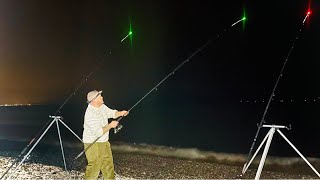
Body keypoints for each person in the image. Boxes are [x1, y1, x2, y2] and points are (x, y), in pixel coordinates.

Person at [82, 90, 128, 179]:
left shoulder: (102, 106)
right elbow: (98, 132)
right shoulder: (90, 114)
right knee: (94, 166)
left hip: (104, 141)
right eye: (100, 96)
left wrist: (121, 113)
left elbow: (111, 113)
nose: (102, 97)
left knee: (108, 164)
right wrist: (111, 125)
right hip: (93, 143)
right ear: (94, 100)